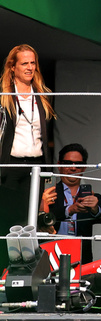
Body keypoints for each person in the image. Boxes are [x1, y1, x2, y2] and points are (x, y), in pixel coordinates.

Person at [0, 46, 56, 232]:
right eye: (24, 63)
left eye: (33, 63)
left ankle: (26, 259)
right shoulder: (4, 96)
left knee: (29, 219)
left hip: (36, 165)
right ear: (13, 67)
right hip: (10, 166)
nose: (30, 67)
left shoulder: (42, 94)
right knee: (8, 218)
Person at [48, 143, 101, 263]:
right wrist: (69, 210)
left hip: (81, 257)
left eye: (78, 164)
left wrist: (95, 209)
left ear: (84, 168)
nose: (73, 168)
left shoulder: (92, 196)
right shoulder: (49, 192)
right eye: (68, 163)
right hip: (52, 253)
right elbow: (43, 217)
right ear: (59, 166)